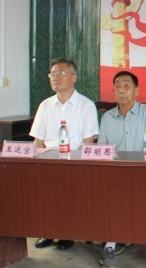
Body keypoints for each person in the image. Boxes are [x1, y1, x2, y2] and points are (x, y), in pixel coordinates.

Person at [29, 57, 98, 251]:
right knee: (44, 191)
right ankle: (48, 231)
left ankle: (67, 232)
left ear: (74, 77)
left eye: (60, 73)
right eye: (52, 74)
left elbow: (88, 142)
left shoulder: (86, 105)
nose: (55, 78)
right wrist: (39, 163)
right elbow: (38, 140)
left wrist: (77, 166)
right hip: (48, 161)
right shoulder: (45, 105)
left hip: (75, 162)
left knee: (69, 190)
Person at [96, 70, 146, 268]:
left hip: (144, 171)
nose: (121, 90)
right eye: (117, 86)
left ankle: (129, 236)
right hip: (115, 172)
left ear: (136, 91)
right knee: (110, 191)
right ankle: (110, 245)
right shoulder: (107, 117)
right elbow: (102, 150)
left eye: (126, 86)